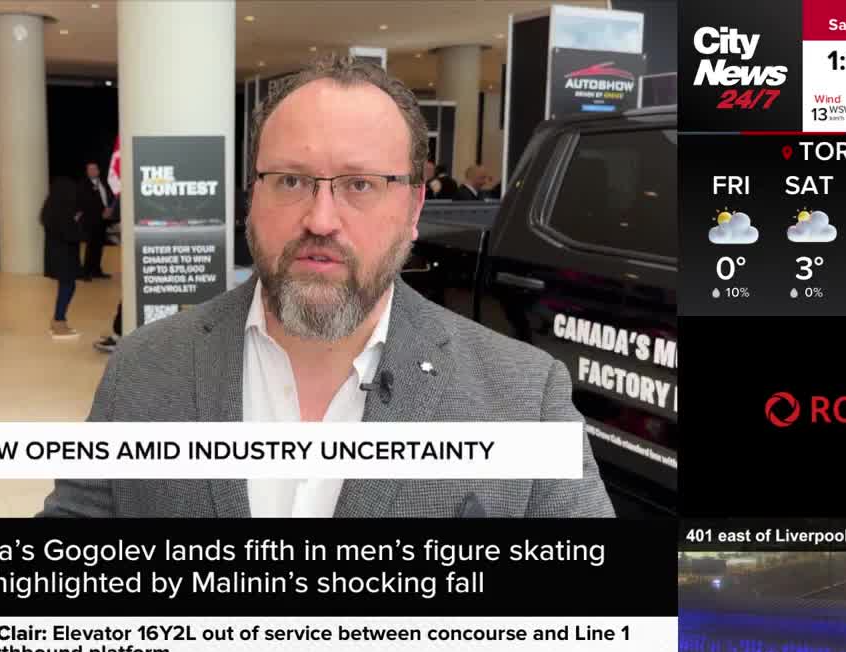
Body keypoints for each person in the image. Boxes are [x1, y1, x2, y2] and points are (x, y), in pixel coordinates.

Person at [40, 53, 612, 519]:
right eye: (291, 180)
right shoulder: (144, 368)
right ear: (252, 197)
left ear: (414, 207)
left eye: (360, 184)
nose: (321, 219)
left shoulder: (523, 396)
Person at [42, 176, 85, 339]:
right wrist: (76, 222)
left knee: (66, 287)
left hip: (57, 255)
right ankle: (59, 321)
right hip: (65, 256)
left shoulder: (51, 209)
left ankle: (59, 320)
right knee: (67, 287)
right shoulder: (63, 213)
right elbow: (72, 235)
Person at [81, 161, 113, 280]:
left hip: (103, 220)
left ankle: (96, 271)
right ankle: (86, 272)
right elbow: (86, 203)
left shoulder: (104, 183)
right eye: (89, 169)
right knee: (91, 246)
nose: (92, 171)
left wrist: (109, 209)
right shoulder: (84, 185)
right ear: (87, 172)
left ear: (98, 171)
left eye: (94, 169)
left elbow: (109, 197)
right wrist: (101, 212)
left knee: (99, 246)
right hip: (91, 220)